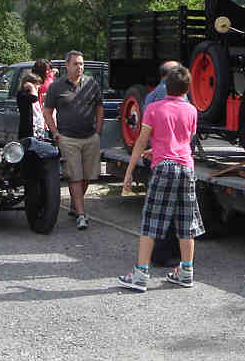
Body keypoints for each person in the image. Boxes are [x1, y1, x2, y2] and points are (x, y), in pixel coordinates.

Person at [118, 65, 205, 292]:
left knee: (152, 221)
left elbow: (141, 140)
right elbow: (183, 140)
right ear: (187, 88)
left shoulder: (154, 108)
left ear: (166, 84)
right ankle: (186, 271)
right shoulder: (192, 111)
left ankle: (141, 274)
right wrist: (159, 148)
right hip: (186, 167)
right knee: (186, 222)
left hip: (164, 167)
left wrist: (130, 170)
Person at [43, 50, 103, 231]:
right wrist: (55, 133)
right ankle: (81, 214)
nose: (80, 67)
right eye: (76, 64)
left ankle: (75, 206)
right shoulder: (57, 87)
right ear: (67, 65)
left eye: (82, 64)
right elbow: (47, 111)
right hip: (67, 138)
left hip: (90, 137)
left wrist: (98, 131)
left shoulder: (91, 84)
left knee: (86, 177)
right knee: (75, 176)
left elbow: (99, 106)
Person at [144, 61, 183, 268]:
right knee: (177, 211)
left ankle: (161, 253)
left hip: (159, 160)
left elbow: (147, 130)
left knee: (160, 211)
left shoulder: (151, 97)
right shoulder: (177, 97)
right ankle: (171, 254)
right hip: (177, 160)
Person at [17, 73, 45, 139]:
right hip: (28, 130)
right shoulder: (23, 94)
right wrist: (32, 88)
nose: (38, 87)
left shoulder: (35, 94)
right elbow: (34, 98)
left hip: (38, 129)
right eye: (37, 84)